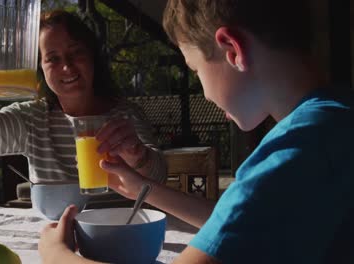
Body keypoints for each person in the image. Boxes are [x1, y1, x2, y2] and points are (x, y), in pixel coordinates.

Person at [38, 0, 354, 263]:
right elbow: (241, 218)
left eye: (195, 69)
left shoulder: (295, 152)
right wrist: (142, 188)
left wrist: (57, 256)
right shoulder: (333, 122)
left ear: (232, 50)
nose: (204, 93)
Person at [0, 10, 166, 185]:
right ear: (40, 68)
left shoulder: (125, 115)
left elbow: (159, 178)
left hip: (119, 235)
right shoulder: (32, 119)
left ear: (92, 57)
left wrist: (137, 155)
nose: (67, 66)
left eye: (76, 52)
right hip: (52, 238)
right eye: (53, 58)